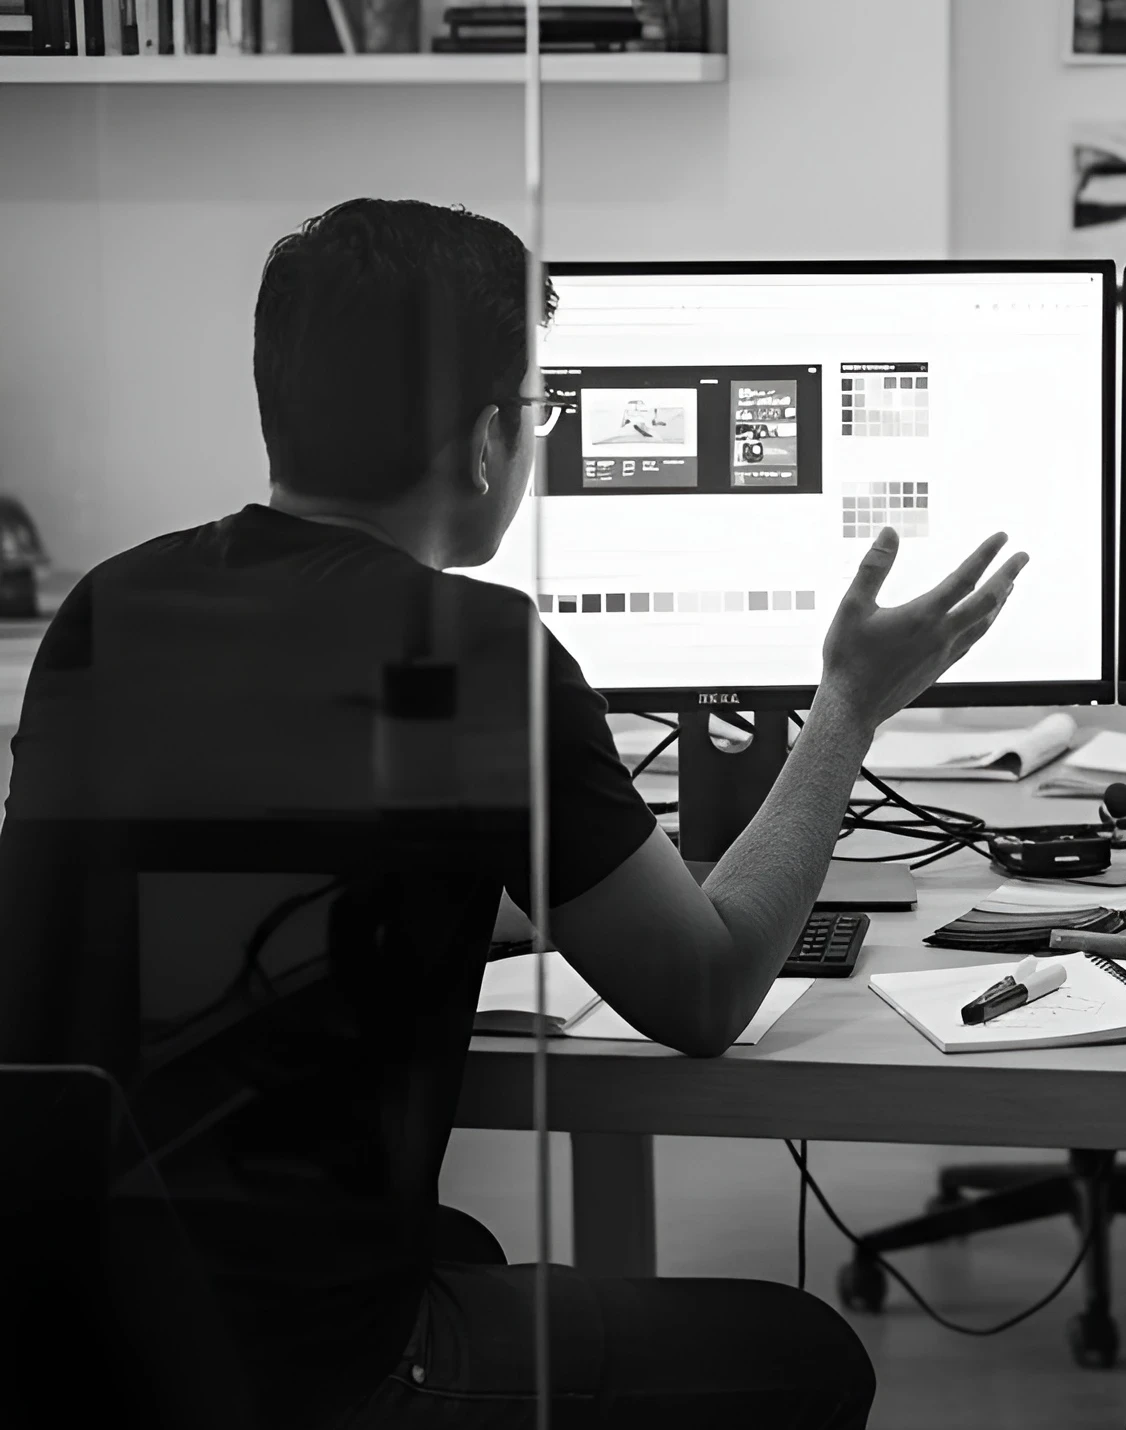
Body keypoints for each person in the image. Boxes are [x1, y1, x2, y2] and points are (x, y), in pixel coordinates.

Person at [0, 198, 1027, 1429]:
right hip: (298, 1372)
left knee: (467, 1239)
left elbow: (271, 867)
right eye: (534, 411)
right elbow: (705, 996)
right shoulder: (473, 650)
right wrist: (850, 704)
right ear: (486, 442)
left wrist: (497, 907)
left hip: (62, 1325)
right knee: (809, 1354)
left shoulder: (109, 606)